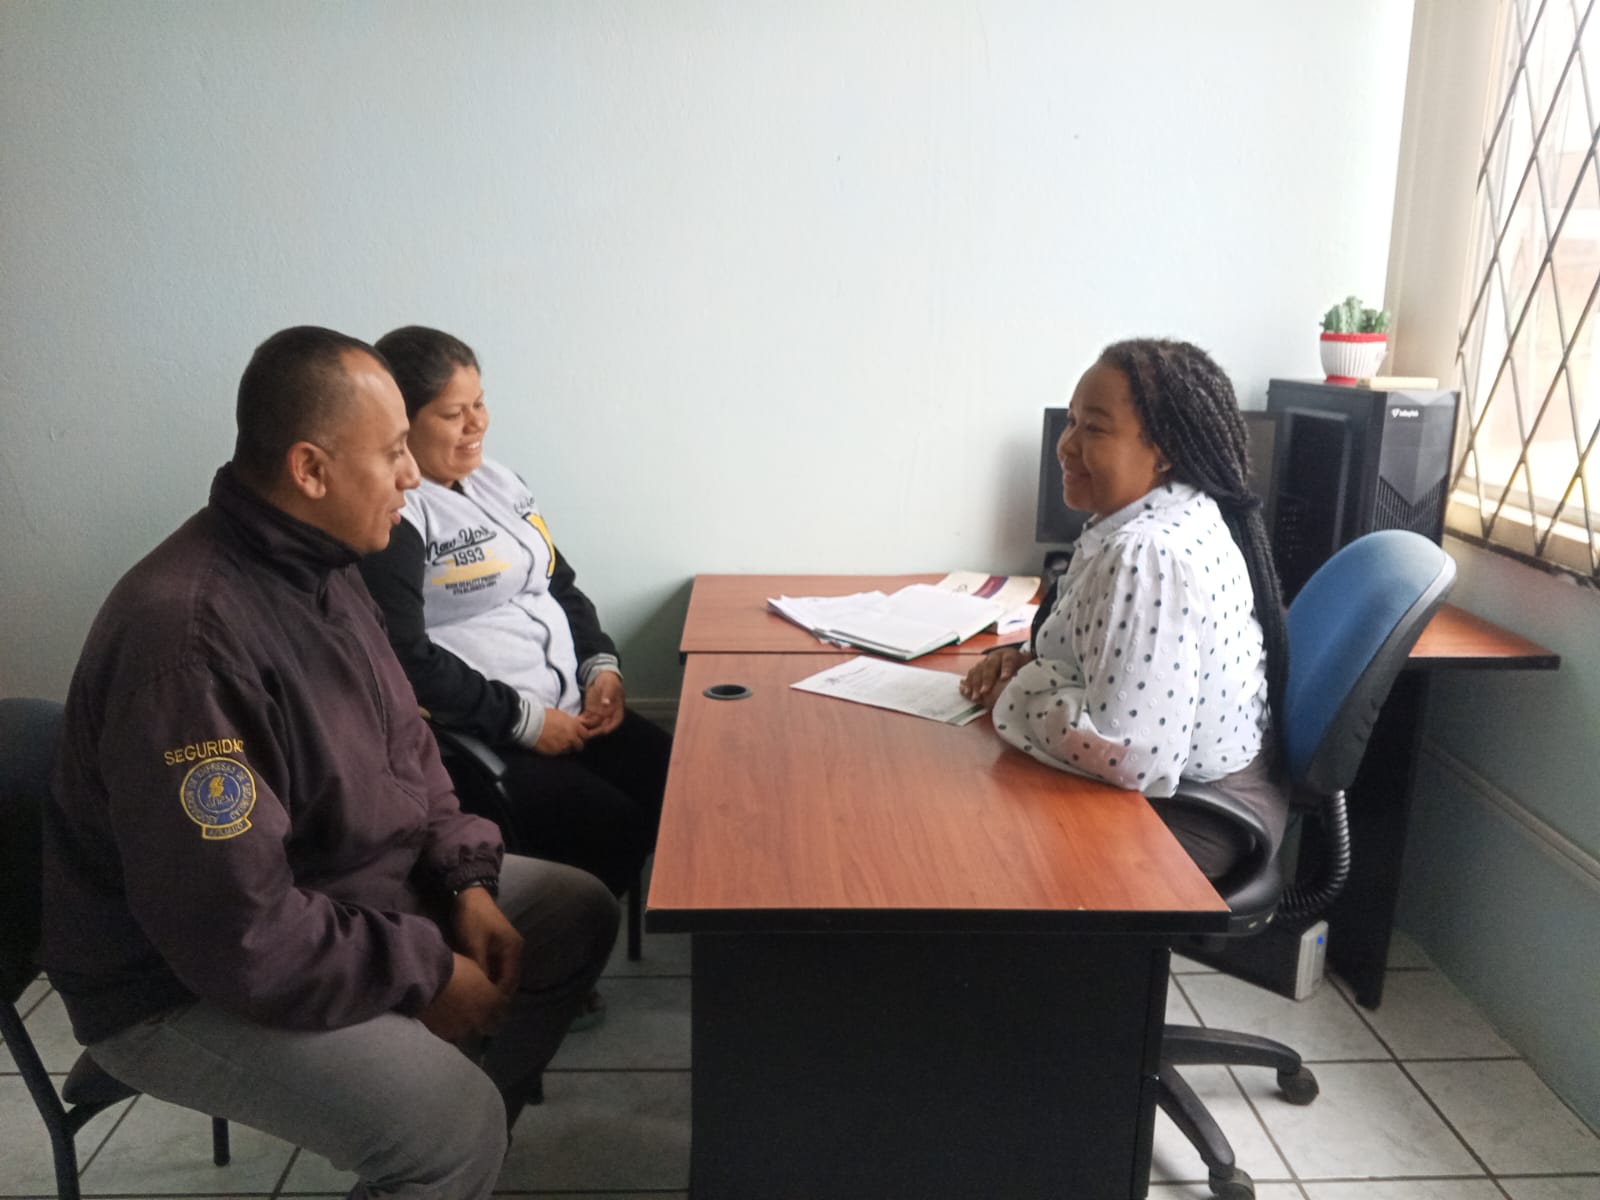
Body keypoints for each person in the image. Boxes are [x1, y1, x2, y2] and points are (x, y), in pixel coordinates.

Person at [42, 327, 620, 1200]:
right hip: (183, 981)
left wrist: (465, 881)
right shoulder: (187, 645)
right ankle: (443, 1152)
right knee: (449, 1125)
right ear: (311, 469)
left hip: (336, 898)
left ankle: (454, 1161)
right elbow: (234, 927)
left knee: (573, 913)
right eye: (392, 453)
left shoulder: (331, 566)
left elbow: (411, 752)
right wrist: (425, 971)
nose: (413, 476)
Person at [359, 325, 671, 913]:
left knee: (679, 779)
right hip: (490, 734)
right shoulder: (399, 515)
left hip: (574, 712)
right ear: (402, 423)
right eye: (453, 413)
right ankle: (562, 945)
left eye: (479, 404)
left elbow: (558, 581)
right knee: (614, 826)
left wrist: (601, 666)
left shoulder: (500, 483)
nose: (476, 423)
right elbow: (404, 657)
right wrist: (526, 722)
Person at [961, 337, 1290, 879]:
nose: (1066, 446)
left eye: (1094, 429)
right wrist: (1028, 659)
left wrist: (1015, 690)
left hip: (1190, 820)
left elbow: (1129, 753)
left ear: (1164, 451)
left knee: (968, 840)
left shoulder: (1148, 554)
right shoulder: (1162, 515)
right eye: (1071, 421)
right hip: (1189, 794)